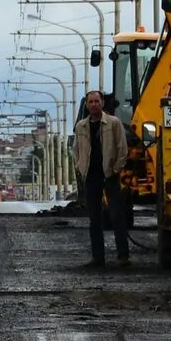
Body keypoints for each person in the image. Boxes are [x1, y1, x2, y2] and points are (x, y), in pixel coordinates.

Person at [73, 88, 133, 266]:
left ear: (102, 103)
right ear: (87, 104)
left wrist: (116, 168)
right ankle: (98, 257)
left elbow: (122, 148)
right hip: (91, 176)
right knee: (94, 218)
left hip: (110, 175)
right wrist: (80, 166)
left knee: (116, 216)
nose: (94, 105)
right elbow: (76, 150)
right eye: (90, 102)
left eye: (96, 101)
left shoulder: (114, 123)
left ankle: (123, 256)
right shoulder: (81, 126)